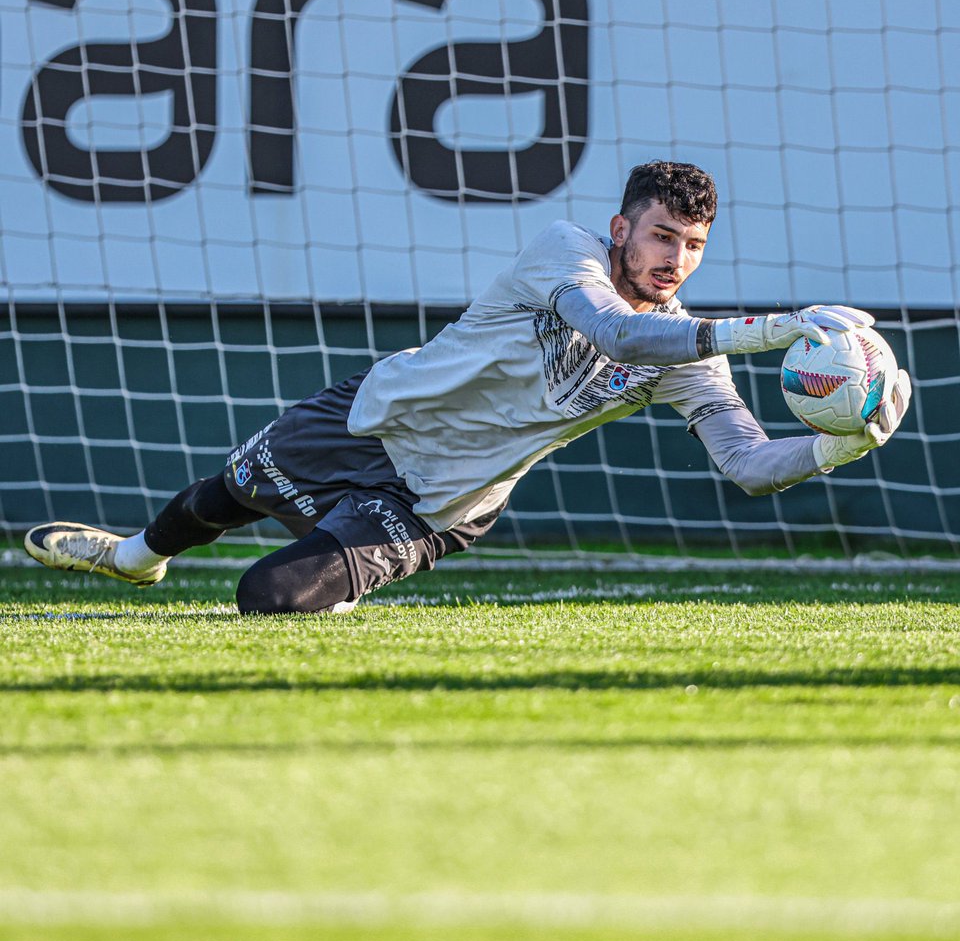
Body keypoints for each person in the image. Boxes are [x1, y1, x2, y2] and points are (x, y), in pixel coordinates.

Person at [25, 161, 912, 614]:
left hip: (444, 498)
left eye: (692, 246)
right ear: (621, 228)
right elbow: (613, 331)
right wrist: (783, 326)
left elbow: (750, 466)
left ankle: (342, 574)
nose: (673, 258)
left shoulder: (691, 352)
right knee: (225, 492)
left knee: (266, 598)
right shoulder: (564, 251)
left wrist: (845, 440)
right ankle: (134, 558)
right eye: (660, 237)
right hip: (374, 419)